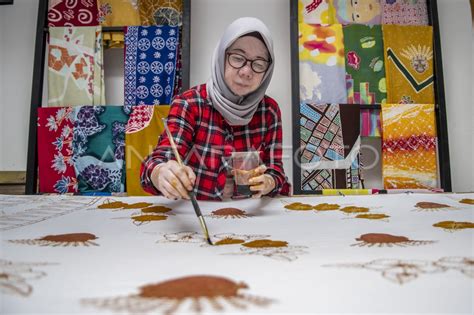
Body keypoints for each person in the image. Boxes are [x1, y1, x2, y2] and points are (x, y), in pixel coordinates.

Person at [140, 17, 290, 201]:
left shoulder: (269, 111)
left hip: (249, 216)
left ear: (267, 71)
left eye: (258, 63)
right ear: (221, 56)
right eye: (237, 58)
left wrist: (269, 181)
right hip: (197, 216)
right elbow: (159, 160)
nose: (246, 71)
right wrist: (160, 172)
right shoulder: (189, 104)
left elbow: (276, 171)